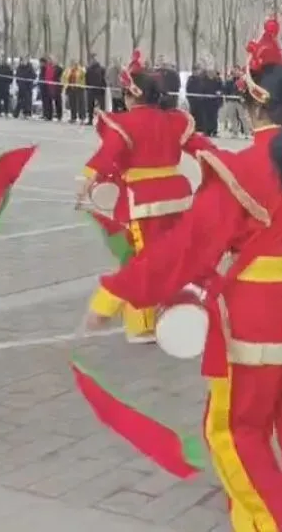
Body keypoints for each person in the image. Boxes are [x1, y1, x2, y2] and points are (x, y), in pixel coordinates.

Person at [84, 17, 282, 532]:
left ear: (253, 106)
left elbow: (186, 251)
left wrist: (115, 292)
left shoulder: (244, 170)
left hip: (258, 325)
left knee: (235, 431)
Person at [78, 50, 210, 344]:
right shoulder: (174, 121)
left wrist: (88, 178)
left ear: (130, 95)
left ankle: (143, 324)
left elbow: (109, 153)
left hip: (142, 200)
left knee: (140, 258)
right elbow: (203, 149)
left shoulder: (125, 123)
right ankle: (178, 308)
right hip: (177, 198)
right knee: (174, 255)